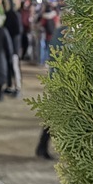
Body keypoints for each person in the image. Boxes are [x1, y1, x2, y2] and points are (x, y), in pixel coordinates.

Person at [36, 22, 67, 160]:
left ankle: (42, 147)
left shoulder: (59, 31)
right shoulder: (65, 34)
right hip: (64, 82)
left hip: (58, 79)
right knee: (56, 116)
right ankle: (42, 147)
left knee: (54, 116)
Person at [1, 0, 23, 96]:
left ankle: (17, 87)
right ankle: (10, 85)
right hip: (9, 47)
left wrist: (14, 48)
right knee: (9, 67)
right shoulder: (9, 15)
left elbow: (17, 32)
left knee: (14, 67)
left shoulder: (13, 15)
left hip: (13, 47)